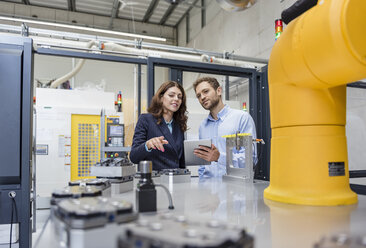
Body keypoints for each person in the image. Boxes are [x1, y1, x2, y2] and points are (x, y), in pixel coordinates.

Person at [193, 77, 257, 178]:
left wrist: (219, 157)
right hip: (208, 189)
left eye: (206, 91)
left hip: (234, 188)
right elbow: (203, 165)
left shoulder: (241, 118)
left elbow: (249, 160)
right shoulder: (203, 126)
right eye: (198, 95)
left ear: (219, 91)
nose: (202, 97)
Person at [129, 81, 187, 170]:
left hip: (176, 179)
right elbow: (133, 157)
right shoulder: (146, 119)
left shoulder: (179, 124)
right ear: (161, 97)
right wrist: (147, 145)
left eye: (179, 97)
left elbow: (181, 160)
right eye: (171, 95)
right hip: (155, 180)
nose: (176, 99)